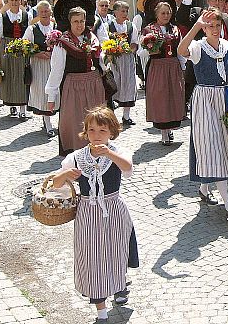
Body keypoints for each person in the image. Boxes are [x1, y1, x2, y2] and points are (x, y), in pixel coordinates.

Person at [53, 106, 138, 323]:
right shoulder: (76, 157)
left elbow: (128, 168)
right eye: (91, 131)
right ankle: (101, 312)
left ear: (112, 131)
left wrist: (109, 153)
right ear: (86, 132)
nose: (96, 136)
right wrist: (65, 174)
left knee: (116, 252)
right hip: (88, 213)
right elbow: (55, 184)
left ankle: (119, 286)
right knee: (92, 258)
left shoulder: (118, 152)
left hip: (114, 210)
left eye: (102, 131)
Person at [178, 8, 228, 220]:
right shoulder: (198, 47)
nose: (215, 29)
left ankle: (204, 189)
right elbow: (181, 50)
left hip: (224, 97)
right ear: (204, 28)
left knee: (222, 144)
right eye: (210, 26)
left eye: (218, 25)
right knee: (211, 145)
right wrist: (196, 26)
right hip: (204, 100)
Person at [45, 0, 106, 156]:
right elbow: (56, 70)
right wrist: (51, 98)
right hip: (73, 86)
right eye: (75, 21)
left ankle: (96, 149)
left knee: (96, 119)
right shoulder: (62, 42)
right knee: (74, 121)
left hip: (93, 84)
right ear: (70, 23)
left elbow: (100, 61)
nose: (79, 25)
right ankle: (77, 154)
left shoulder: (92, 38)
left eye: (82, 21)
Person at [140, 0, 186, 145]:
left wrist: (183, 65)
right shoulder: (149, 29)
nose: (166, 16)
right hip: (158, 67)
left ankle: (170, 129)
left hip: (173, 66)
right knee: (161, 98)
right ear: (156, 14)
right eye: (163, 13)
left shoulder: (175, 29)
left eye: (168, 13)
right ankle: (164, 133)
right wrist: (149, 48)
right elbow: (141, 52)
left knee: (173, 96)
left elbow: (179, 49)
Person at [0, 0, 30, 118]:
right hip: (6, 48)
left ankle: (23, 108)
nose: (14, 2)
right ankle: (12, 105)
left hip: (22, 48)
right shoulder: (2, 17)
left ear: (20, 1)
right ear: (8, 2)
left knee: (22, 76)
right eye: (12, 0)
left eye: (17, 0)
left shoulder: (26, 15)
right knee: (9, 76)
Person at [23, 1, 58, 137]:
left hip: (54, 63)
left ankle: (51, 119)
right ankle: (47, 123)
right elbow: (24, 46)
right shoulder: (32, 29)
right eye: (41, 12)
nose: (44, 14)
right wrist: (37, 53)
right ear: (38, 13)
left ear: (50, 12)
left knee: (54, 91)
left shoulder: (56, 27)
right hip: (38, 64)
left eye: (46, 11)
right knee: (42, 91)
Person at [107, 1, 138, 126]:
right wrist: (114, 49)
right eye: (122, 11)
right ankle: (111, 117)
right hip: (114, 59)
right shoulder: (108, 26)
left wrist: (129, 49)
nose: (125, 13)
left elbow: (134, 43)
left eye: (126, 11)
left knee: (128, 84)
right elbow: (105, 42)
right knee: (114, 84)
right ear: (115, 12)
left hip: (127, 59)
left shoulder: (131, 26)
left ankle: (126, 116)